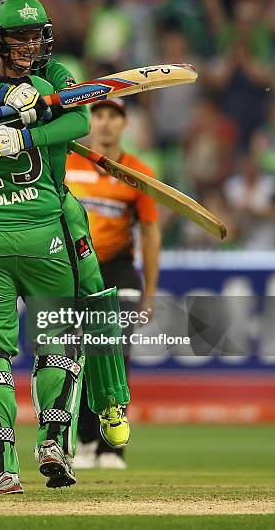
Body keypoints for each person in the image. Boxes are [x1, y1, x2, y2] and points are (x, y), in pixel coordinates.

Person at [0, 0, 131, 484]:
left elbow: (79, 117)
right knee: (61, 341)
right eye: (17, 38)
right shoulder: (34, 85)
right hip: (46, 234)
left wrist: (25, 130)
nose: (29, 45)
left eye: (34, 35)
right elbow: (73, 116)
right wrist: (20, 99)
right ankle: (54, 441)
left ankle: (6, 464)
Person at [66, 98, 161, 469]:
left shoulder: (137, 172)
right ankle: (86, 439)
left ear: (124, 125)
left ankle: (112, 448)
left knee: (115, 355)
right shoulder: (69, 166)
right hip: (76, 270)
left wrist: (150, 292)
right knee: (79, 357)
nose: (105, 123)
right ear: (91, 120)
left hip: (120, 270)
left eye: (113, 117)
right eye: (100, 115)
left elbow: (150, 236)